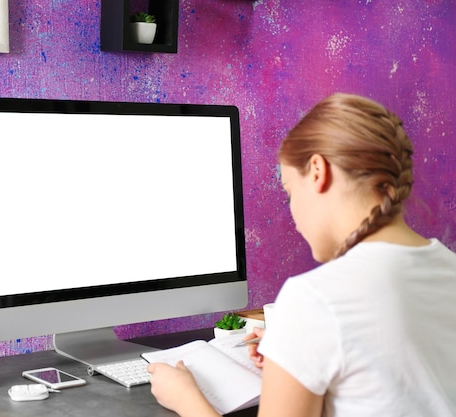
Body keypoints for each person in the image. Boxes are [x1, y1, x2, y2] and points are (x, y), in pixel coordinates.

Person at [147, 93, 456, 417]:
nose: (294, 215)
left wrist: (187, 400)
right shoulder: (449, 267)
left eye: (290, 191)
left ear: (318, 171)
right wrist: (297, 356)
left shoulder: (315, 298)